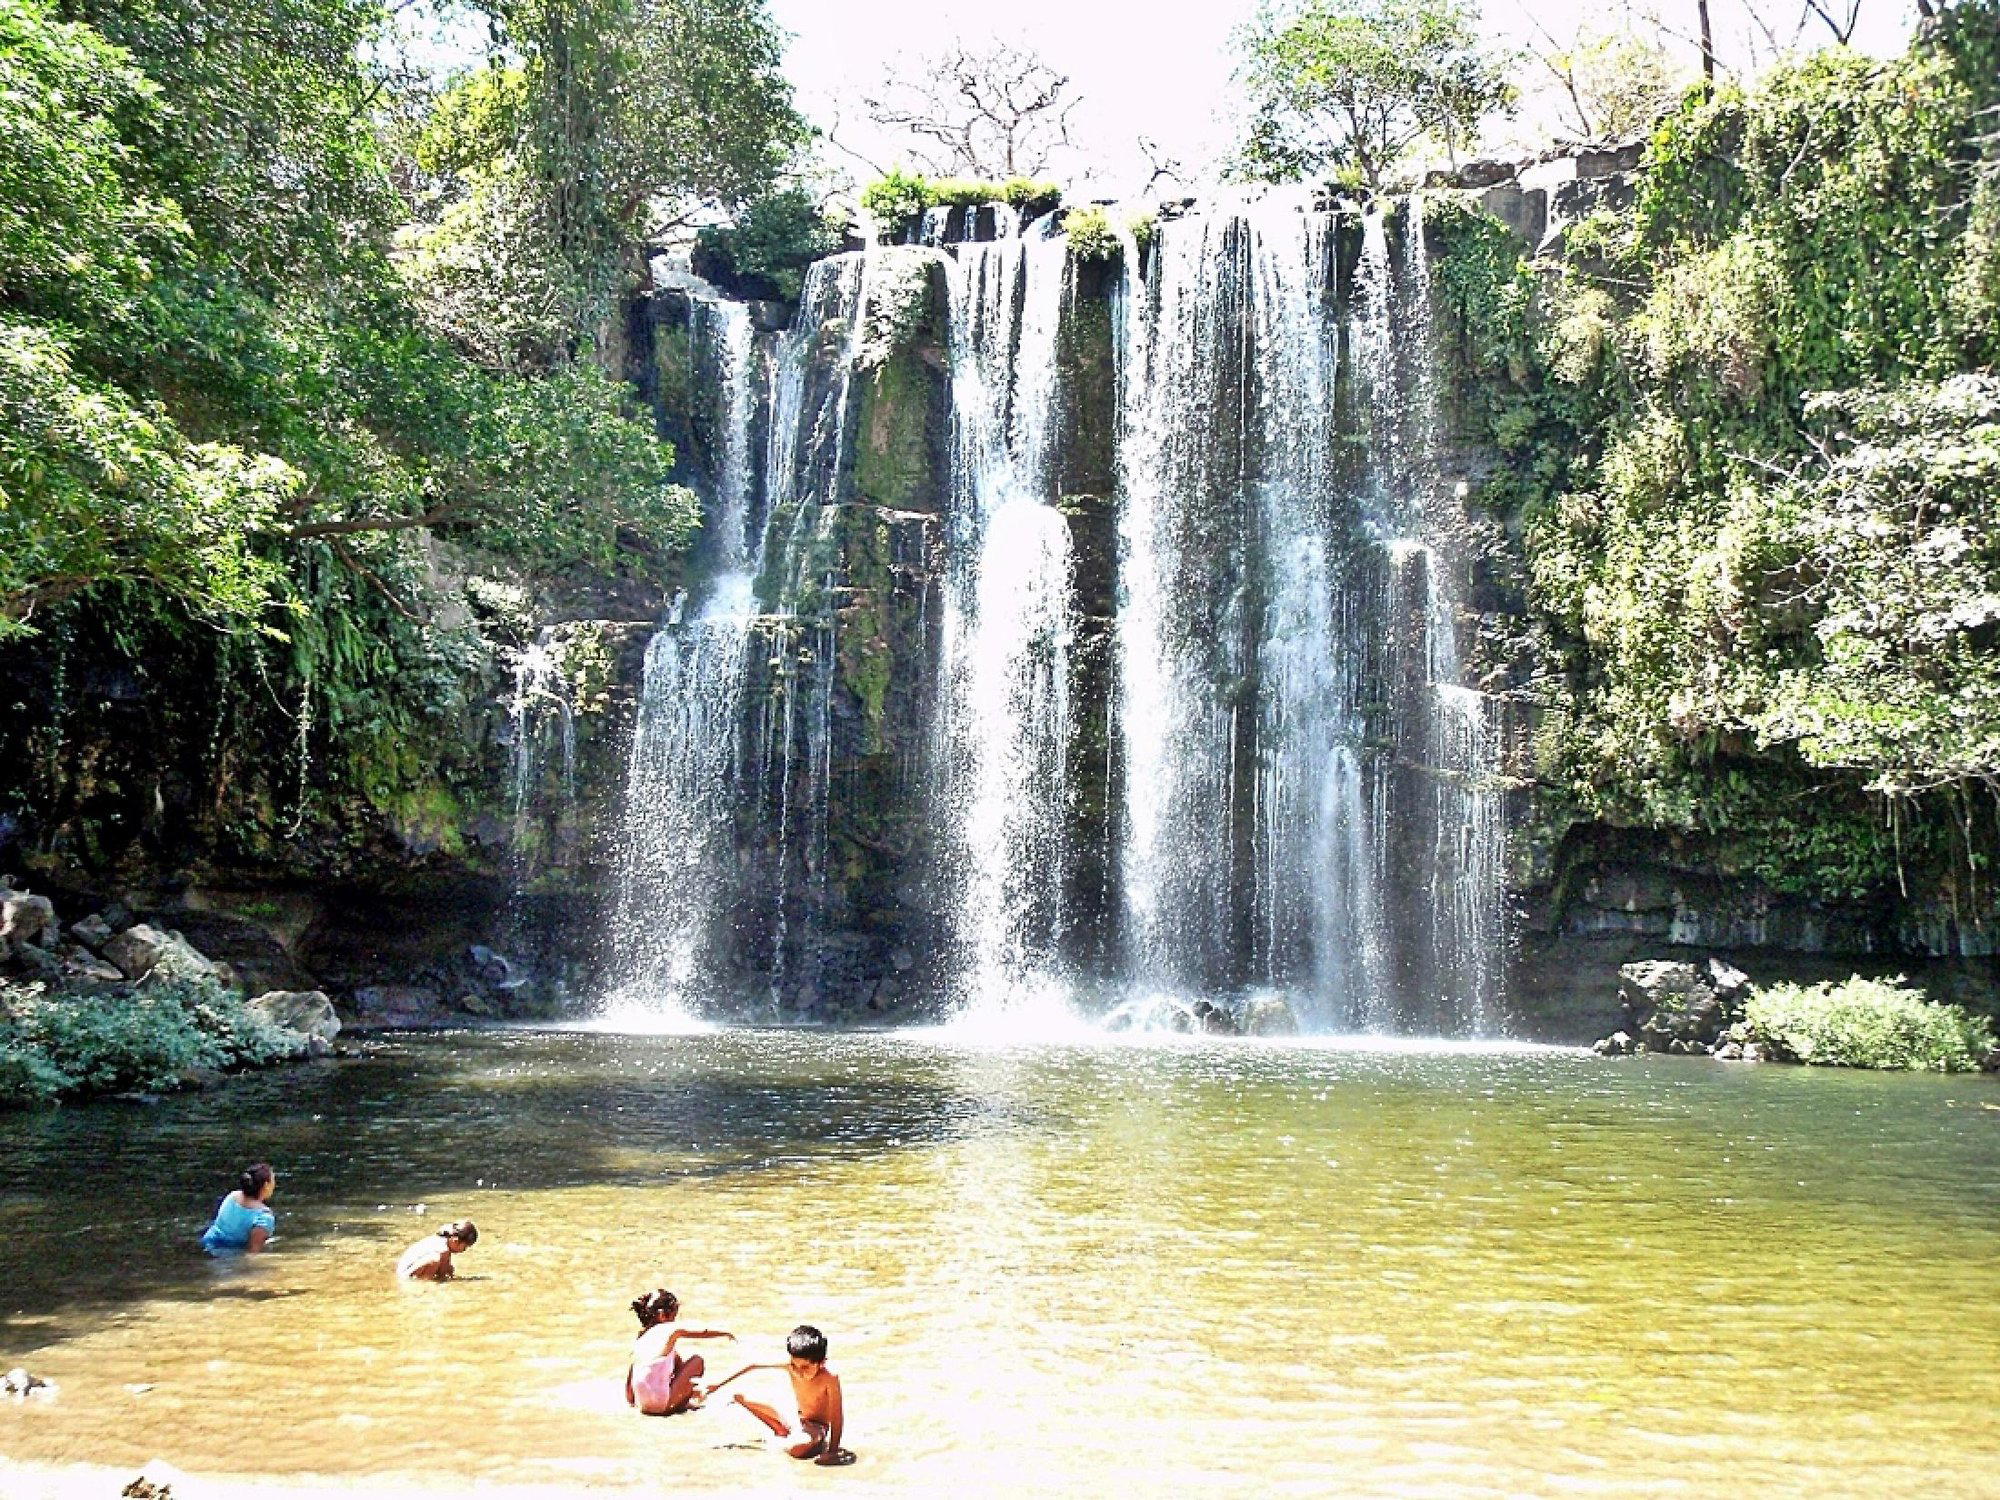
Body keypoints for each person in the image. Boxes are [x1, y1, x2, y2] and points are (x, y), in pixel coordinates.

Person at [704, 1325, 852, 1466]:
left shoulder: (830, 1378)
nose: (798, 1371)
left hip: (817, 1425)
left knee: (798, 1450)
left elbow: (837, 1417)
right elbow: (752, 1365)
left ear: (822, 1363)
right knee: (749, 1401)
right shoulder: (789, 1367)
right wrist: (718, 1384)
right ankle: (752, 1408)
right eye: (794, 1365)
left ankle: (783, 1434)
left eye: (805, 1367)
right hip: (798, 1419)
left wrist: (832, 1451)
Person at [625, 1289, 736, 1417]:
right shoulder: (667, 1327)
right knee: (697, 1361)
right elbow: (702, 1332)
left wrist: (634, 1402)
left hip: (643, 1406)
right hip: (661, 1405)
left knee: (675, 1359)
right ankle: (682, 1402)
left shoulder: (641, 1339)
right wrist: (726, 1333)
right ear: (662, 1315)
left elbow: (630, 1385)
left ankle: (681, 1397)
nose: (675, 1320)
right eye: (674, 1315)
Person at [201, 1163, 277, 1255]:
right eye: (273, 1180)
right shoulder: (264, 1217)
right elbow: (253, 1253)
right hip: (227, 1254)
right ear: (266, 1185)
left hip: (207, 1242)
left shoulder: (233, 1195)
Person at [397, 1220, 478, 1281]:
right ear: (455, 1241)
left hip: (404, 1271)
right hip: (405, 1276)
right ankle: (424, 1283)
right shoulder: (444, 1250)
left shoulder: (444, 1240)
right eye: (465, 1247)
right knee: (435, 1260)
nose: (464, 1250)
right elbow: (442, 1276)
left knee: (449, 1268)